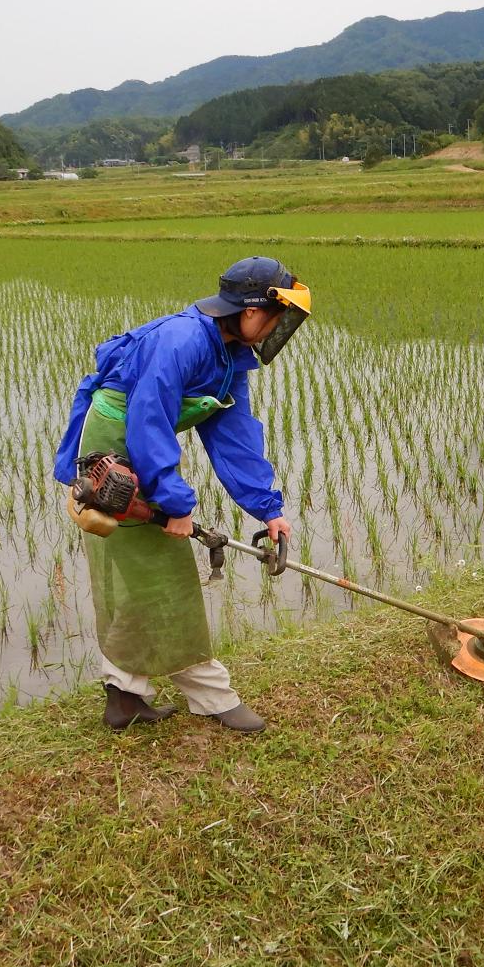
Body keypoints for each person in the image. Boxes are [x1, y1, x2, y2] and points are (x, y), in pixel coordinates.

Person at [53, 257, 311, 735]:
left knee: (138, 576)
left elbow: (236, 437)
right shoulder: (182, 340)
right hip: (114, 455)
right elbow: (148, 421)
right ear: (254, 310)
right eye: (281, 315)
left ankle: (124, 696)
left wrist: (268, 509)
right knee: (162, 575)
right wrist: (175, 503)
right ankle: (211, 696)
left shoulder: (229, 357)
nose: (282, 327)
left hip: (141, 448)